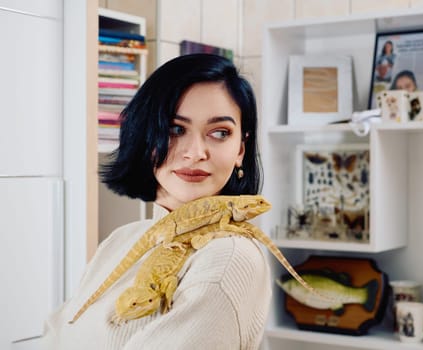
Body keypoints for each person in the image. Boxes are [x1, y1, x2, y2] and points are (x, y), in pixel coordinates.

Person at [42, 54, 272, 349]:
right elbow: (56, 332)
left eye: (219, 133)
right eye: (176, 129)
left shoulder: (228, 256)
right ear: (146, 138)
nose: (195, 152)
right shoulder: (121, 239)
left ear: (240, 149)